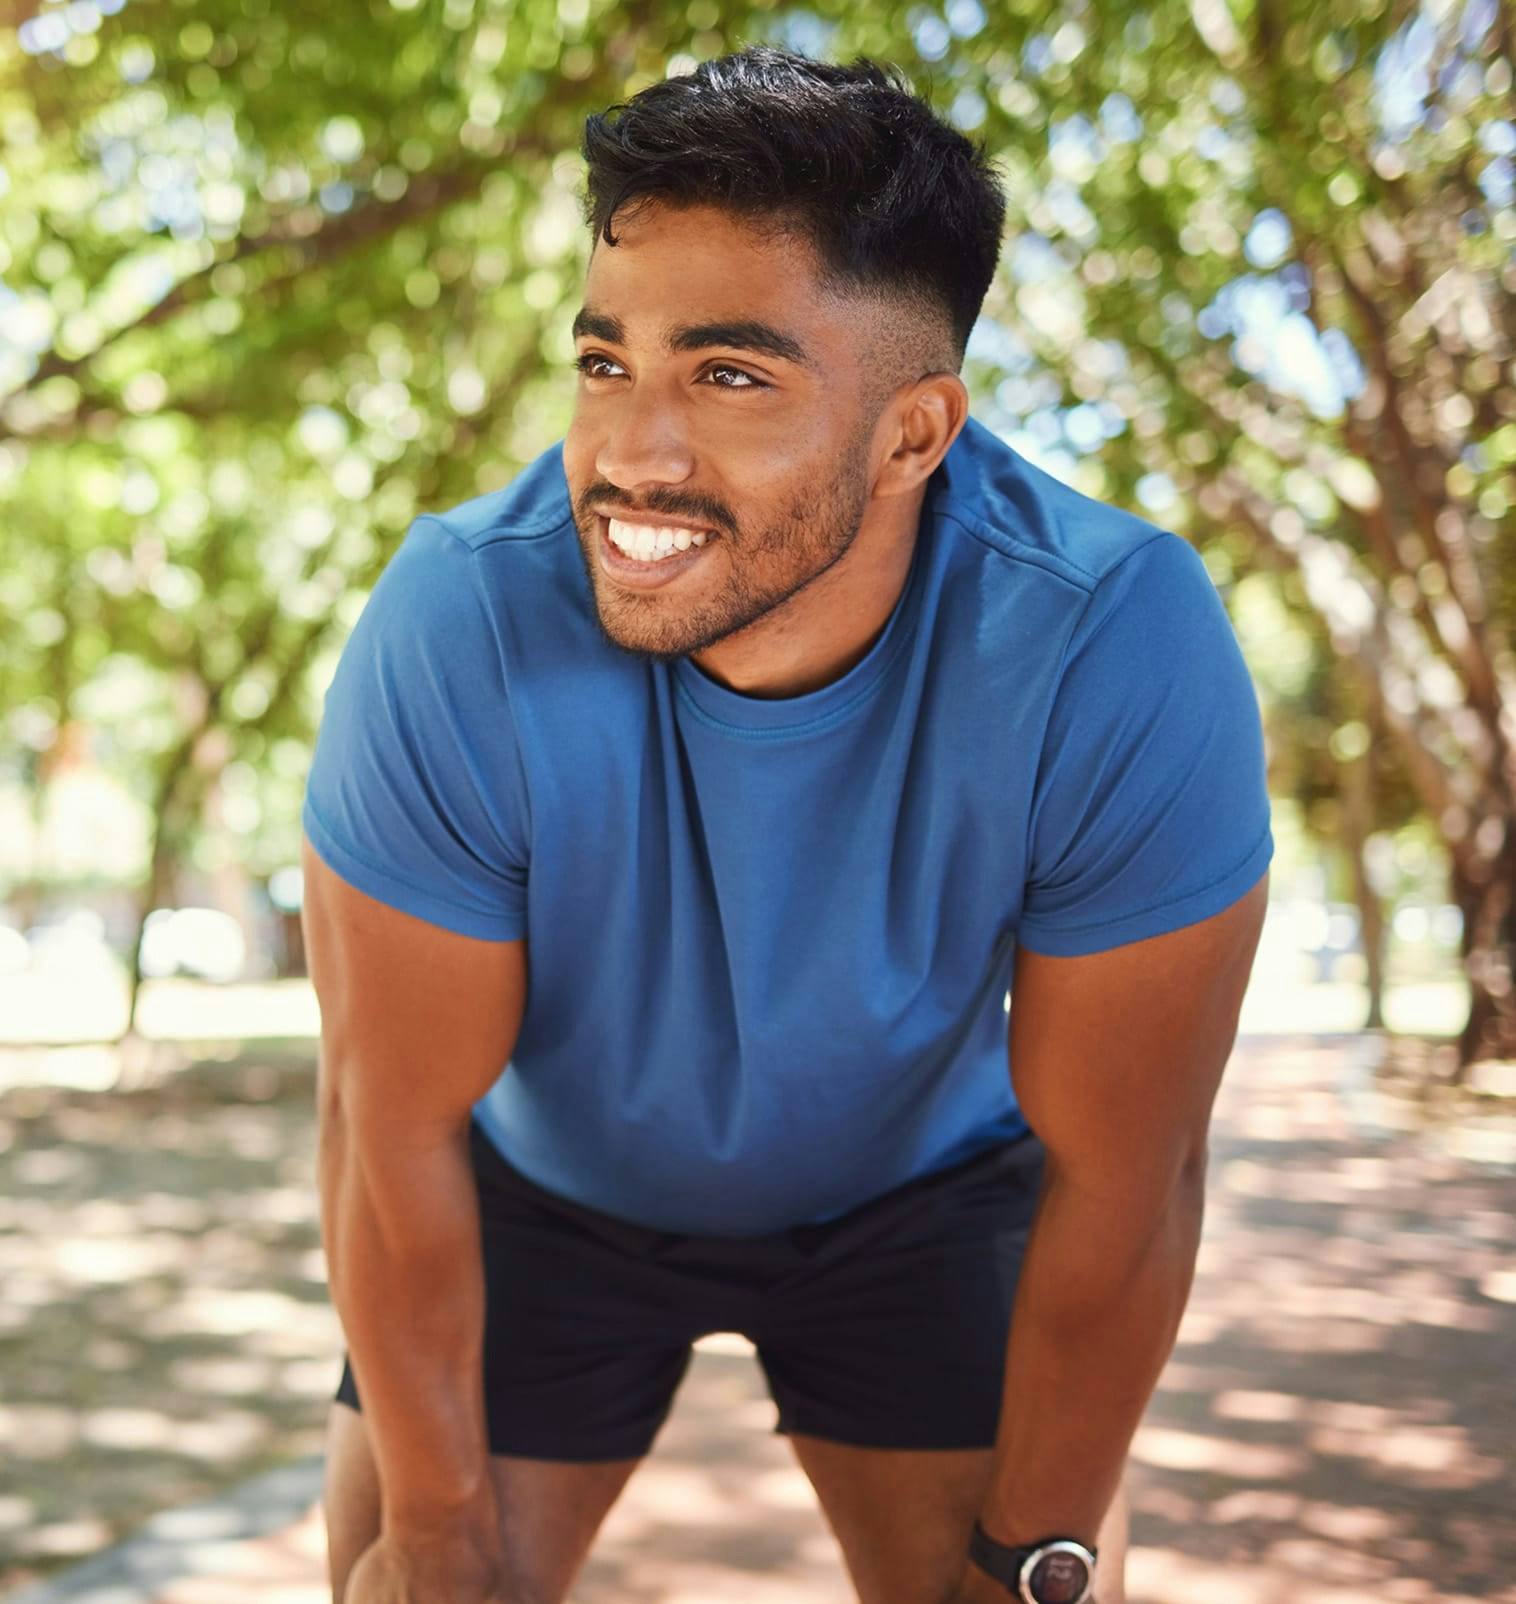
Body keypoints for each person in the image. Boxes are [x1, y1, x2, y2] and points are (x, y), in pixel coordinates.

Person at [300, 47, 1272, 1604]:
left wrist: (1036, 1555)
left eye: (730, 376)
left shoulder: (1111, 638)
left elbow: (1130, 1176)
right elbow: (386, 1122)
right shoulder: (459, 617)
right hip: (540, 1195)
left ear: (915, 436)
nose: (631, 455)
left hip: (922, 1197)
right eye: (607, 362)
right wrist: (433, 1533)